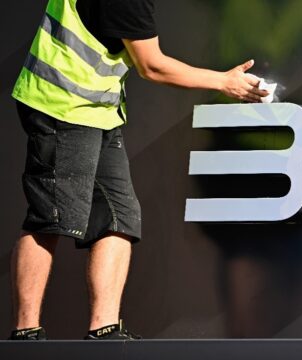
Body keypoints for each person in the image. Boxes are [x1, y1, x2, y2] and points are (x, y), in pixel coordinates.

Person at [8, 0, 268, 340]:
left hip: (99, 109)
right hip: (61, 104)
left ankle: (104, 330)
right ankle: (25, 333)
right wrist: (223, 82)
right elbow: (152, 66)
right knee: (51, 218)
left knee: (119, 216)